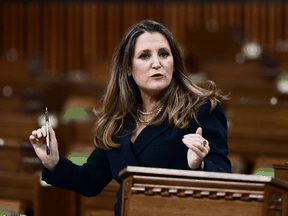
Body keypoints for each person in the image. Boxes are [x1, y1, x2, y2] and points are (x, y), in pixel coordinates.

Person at [29, 20, 231, 216]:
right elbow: (90, 181)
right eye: (144, 56)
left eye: (164, 54)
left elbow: (224, 178)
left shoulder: (201, 110)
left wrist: (199, 165)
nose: (156, 63)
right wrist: (53, 162)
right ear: (127, 68)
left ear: (175, 63)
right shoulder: (118, 121)